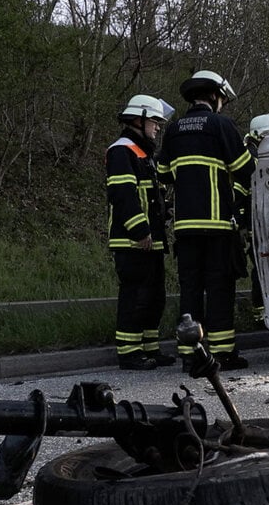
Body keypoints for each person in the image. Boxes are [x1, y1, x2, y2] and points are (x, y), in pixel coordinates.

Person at [157, 70, 256, 372]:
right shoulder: (220, 125)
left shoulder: (173, 130)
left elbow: (162, 173)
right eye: (222, 99)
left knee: (190, 290)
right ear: (214, 96)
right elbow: (245, 169)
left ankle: (190, 355)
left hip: (185, 229)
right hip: (216, 227)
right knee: (218, 289)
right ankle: (223, 354)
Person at [106, 94, 176, 370]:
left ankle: (149, 348)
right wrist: (139, 230)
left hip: (151, 241)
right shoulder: (122, 150)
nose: (157, 127)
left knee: (154, 297)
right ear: (139, 118)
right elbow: (124, 195)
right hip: (133, 241)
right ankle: (129, 352)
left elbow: (150, 196)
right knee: (135, 297)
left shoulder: (144, 154)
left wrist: (164, 210)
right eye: (155, 122)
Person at [235, 114, 269, 327]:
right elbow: (242, 194)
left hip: (261, 222)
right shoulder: (252, 158)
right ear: (260, 135)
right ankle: (260, 314)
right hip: (258, 224)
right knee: (263, 269)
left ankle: (263, 312)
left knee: (265, 268)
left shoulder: (256, 155)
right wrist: (245, 224)